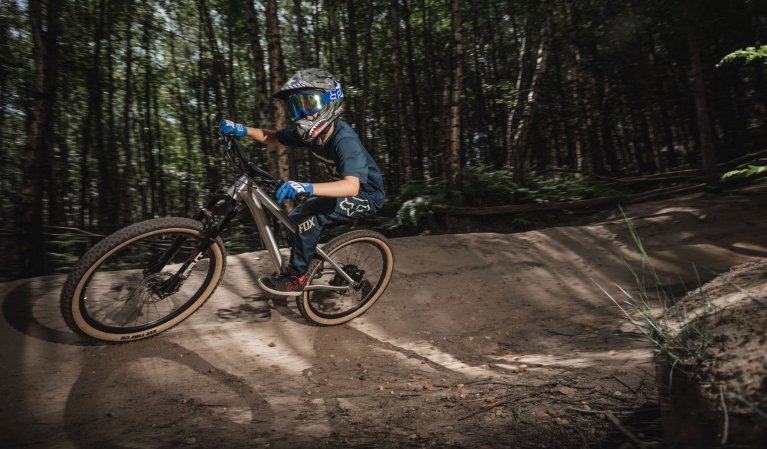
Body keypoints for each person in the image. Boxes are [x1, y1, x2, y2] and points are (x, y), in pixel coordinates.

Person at [219, 68, 385, 296]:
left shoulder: (344, 140)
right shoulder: (313, 132)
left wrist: (305, 186)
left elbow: (351, 186)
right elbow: (274, 137)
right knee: (294, 219)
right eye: (296, 107)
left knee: (309, 220)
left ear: (330, 101)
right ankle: (311, 265)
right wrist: (242, 129)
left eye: (309, 103)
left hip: (366, 195)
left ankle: (296, 278)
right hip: (342, 190)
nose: (302, 114)